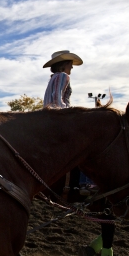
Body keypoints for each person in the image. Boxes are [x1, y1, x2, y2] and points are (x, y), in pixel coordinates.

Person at [42, 50, 98, 195]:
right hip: (59, 117)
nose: (72, 67)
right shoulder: (63, 76)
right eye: (71, 64)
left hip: (50, 117)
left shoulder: (54, 77)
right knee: (88, 145)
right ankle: (86, 183)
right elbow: (56, 100)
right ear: (65, 64)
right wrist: (72, 113)